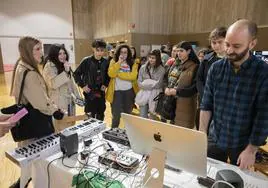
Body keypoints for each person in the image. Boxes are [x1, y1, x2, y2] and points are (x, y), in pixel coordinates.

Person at [199, 19, 268, 169]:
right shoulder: (216, 68)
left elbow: (263, 117)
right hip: (215, 137)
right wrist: (202, 134)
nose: (229, 50)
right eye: (227, 44)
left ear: (252, 44)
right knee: (209, 176)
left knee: (237, 180)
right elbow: (206, 105)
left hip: (243, 143)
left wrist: (251, 150)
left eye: (236, 46)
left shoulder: (263, 73)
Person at [9, 36, 64, 188]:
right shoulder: (31, 73)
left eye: (41, 48)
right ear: (27, 51)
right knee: (41, 162)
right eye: (37, 49)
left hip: (26, 119)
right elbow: (41, 103)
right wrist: (55, 110)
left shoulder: (20, 66)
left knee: (28, 163)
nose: (42, 52)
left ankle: (23, 182)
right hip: (36, 123)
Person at [43, 44, 80, 131]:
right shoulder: (49, 66)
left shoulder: (64, 65)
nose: (63, 56)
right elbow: (53, 84)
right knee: (62, 129)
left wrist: (78, 97)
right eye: (60, 54)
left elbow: (72, 83)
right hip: (59, 104)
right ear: (54, 55)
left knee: (71, 125)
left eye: (64, 53)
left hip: (70, 102)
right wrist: (66, 72)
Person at [164, 41, 199, 129]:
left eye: (181, 51)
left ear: (189, 51)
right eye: (177, 51)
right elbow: (166, 79)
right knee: (171, 130)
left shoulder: (195, 66)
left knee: (182, 133)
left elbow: (195, 88)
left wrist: (176, 91)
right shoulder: (174, 64)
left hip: (186, 105)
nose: (178, 53)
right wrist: (166, 88)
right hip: (171, 103)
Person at [73, 39, 110, 121]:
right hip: (90, 93)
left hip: (101, 93)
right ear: (93, 49)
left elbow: (108, 76)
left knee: (101, 114)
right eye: (97, 50)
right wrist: (82, 86)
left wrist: (105, 84)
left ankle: (99, 132)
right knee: (89, 116)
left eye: (102, 50)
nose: (100, 53)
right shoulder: (86, 61)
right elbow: (76, 74)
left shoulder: (106, 62)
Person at [106, 44, 139, 128]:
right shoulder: (113, 62)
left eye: (125, 52)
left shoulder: (133, 63)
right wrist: (119, 62)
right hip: (116, 92)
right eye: (121, 52)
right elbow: (111, 74)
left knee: (128, 115)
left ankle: (128, 133)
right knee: (116, 116)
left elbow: (133, 76)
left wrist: (119, 74)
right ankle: (113, 133)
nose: (123, 54)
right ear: (118, 53)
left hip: (129, 92)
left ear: (128, 54)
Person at [136, 49, 165, 119]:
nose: (151, 59)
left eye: (153, 58)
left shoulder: (161, 69)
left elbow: (158, 84)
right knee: (142, 116)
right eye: (150, 57)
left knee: (152, 117)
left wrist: (145, 83)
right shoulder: (143, 68)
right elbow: (139, 82)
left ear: (157, 59)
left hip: (155, 95)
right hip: (144, 94)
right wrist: (150, 84)